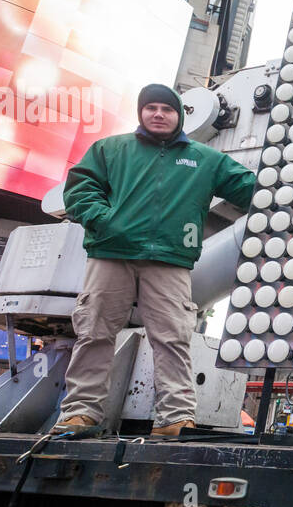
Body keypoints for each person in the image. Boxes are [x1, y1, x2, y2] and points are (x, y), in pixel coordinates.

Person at [53, 83, 255, 437]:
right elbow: (80, 188)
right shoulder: (110, 149)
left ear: (179, 115)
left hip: (170, 259)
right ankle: (80, 414)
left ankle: (175, 418)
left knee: (173, 337)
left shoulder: (205, 159)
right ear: (141, 113)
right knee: (94, 331)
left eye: (167, 109)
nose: (158, 114)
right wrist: (104, 221)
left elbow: (251, 188)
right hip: (111, 254)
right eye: (151, 108)